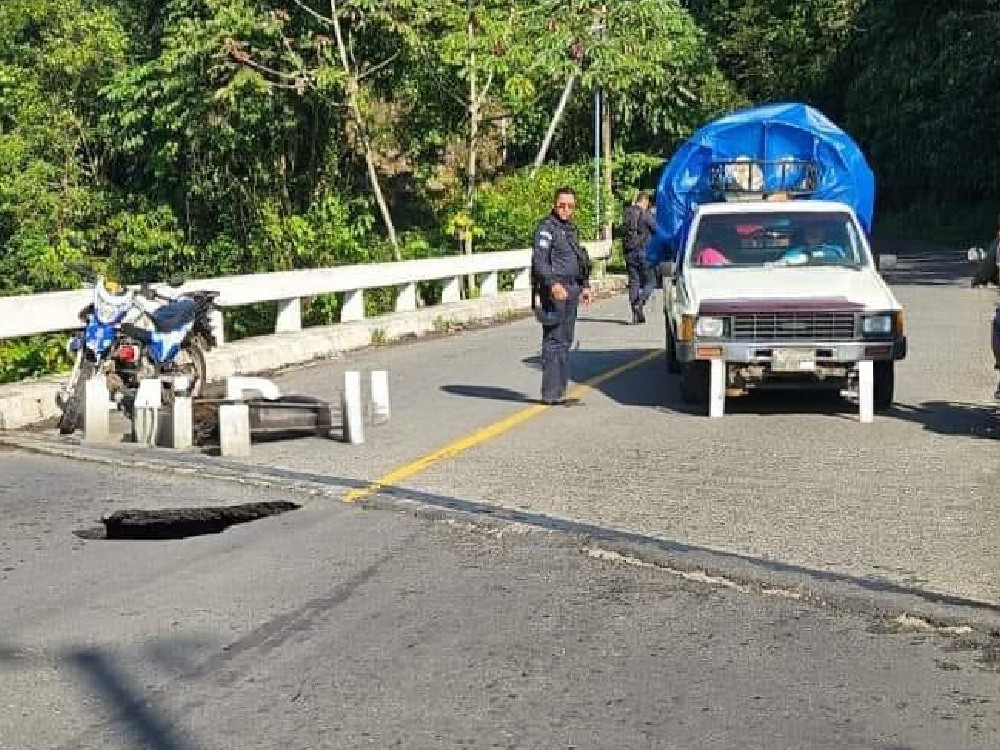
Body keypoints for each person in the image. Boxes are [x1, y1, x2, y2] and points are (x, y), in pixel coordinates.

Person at [531, 186, 593, 405]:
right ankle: (550, 393)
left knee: (565, 341)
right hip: (555, 291)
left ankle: (560, 392)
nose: (566, 209)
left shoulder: (570, 229)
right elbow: (540, 261)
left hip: (572, 288)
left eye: (570, 206)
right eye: (561, 205)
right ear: (554, 204)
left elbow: (579, 258)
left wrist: (584, 285)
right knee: (554, 340)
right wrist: (553, 283)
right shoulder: (546, 228)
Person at [621, 191, 657, 324]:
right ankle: (640, 302)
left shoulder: (626, 213)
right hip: (644, 252)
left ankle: (636, 316)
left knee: (634, 282)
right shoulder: (645, 215)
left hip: (629, 252)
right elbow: (656, 230)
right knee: (651, 281)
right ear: (645, 201)